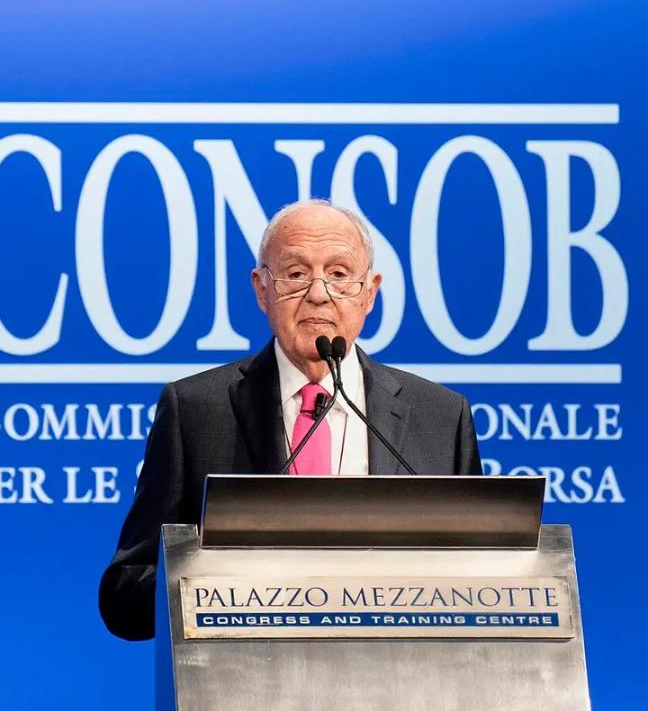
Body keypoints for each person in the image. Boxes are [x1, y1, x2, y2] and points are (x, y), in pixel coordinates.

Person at [98, 199, 483, 641]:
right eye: (296, 274)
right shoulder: (195, 411)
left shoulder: (441, 417)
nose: (318, 293)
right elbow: (125, 596)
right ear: (262, 289)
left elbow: (482, 580)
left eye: (339, 274)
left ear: (369, 292)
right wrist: (213, 584)